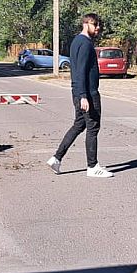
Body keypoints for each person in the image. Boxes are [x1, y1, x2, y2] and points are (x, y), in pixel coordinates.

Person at [47, 13, 114, 178]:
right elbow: (80, 71)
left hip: (78, 92)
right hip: (87, 93)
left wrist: (79, 94)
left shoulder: (77, 41)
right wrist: (84, 95)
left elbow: (77, 70)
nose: (98, 28)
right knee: (93, 127)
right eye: (96, 24)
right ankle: (92, 167)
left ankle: (56, 158)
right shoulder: (85, 44)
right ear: (87, 23)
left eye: (99, 25)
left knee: (79, 125)